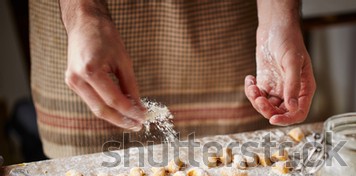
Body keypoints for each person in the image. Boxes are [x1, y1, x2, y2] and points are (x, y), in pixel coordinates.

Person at [30, 0, 315, 158]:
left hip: (215, 22)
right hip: (82, 29)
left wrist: (278, 19)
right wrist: (83, 15)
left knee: (236, 158)